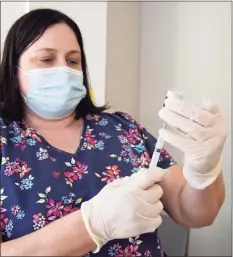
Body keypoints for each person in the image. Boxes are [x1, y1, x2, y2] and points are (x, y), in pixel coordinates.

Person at [0, 8, 227, 257]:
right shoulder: (5, 143)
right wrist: (92, 225)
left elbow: (195, 213)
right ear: (13, 71)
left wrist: (205, 171)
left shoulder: (124, 130)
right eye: (46, 59)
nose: (63, 69)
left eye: (73, 61)